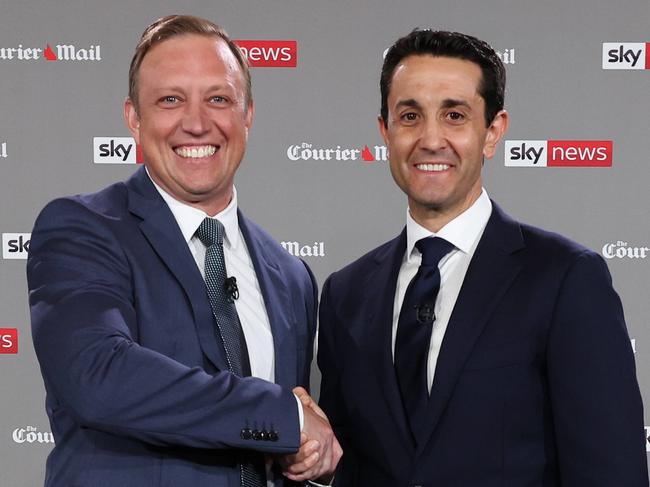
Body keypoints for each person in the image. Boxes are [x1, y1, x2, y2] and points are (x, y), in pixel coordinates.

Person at [317, 29, 648, 486]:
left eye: (454, 115)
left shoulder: (565, 279)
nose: (431, 139)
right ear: (385, 132)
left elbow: (612, 473)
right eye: (410, 115)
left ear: (493, 133)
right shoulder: (345, 294)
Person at [27, 15, 340, 487]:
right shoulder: (82, 229)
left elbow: (288, 449)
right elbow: (99, 376)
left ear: (247, 115)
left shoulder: (291, 275)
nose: (196, 123)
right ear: (134, 118)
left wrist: (311, 457)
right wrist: (285, 417)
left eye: (218, 99)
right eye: (170, 100)